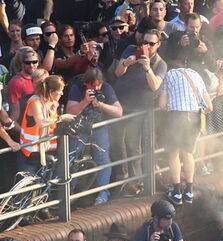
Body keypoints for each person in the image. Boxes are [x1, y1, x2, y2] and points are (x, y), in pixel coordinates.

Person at [111, 27, 165, 195]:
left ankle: (136, 182)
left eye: (151, 44)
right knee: (118, 144)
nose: (146, 47)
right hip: (120, 103)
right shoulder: (130, 49)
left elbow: (156, 86)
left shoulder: (160, 63)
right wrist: (127, 62)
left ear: (158, 44)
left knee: (134, 145)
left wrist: (148, 68)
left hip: (139, 108)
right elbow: (118, 72)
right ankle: (123, 180)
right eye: (144, 42)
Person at [158, 38, 211, 205]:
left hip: (177, 117)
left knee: (173, 154)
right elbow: (209, 106)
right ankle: (189, 191)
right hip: (194, 117)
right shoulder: (196, 75)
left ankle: (177, 192)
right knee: (188, 154)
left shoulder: (169, 74)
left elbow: (161, 104)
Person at [64, 67, 123, 205]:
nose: (96, 88)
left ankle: (103, 193)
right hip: (78, 128)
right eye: (92, 85)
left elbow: (119, 111)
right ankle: (70, 192)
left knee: (102, 158)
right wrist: (85, 101)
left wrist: (101, 105)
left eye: (98, 85)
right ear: (86, 83)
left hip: (99, 127)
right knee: (73, 158)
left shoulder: (106, 88)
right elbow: (70, 111)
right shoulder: (77, 87)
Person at [18, 75, 76, 173]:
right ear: (51, 92)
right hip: (31, 152)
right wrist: (61, 118)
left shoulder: (53, 103)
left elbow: (52, 124)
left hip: (46, 150)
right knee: (28, 184)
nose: (62, 93)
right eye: (60, 90)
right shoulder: (35, 102)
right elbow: (41, 122)